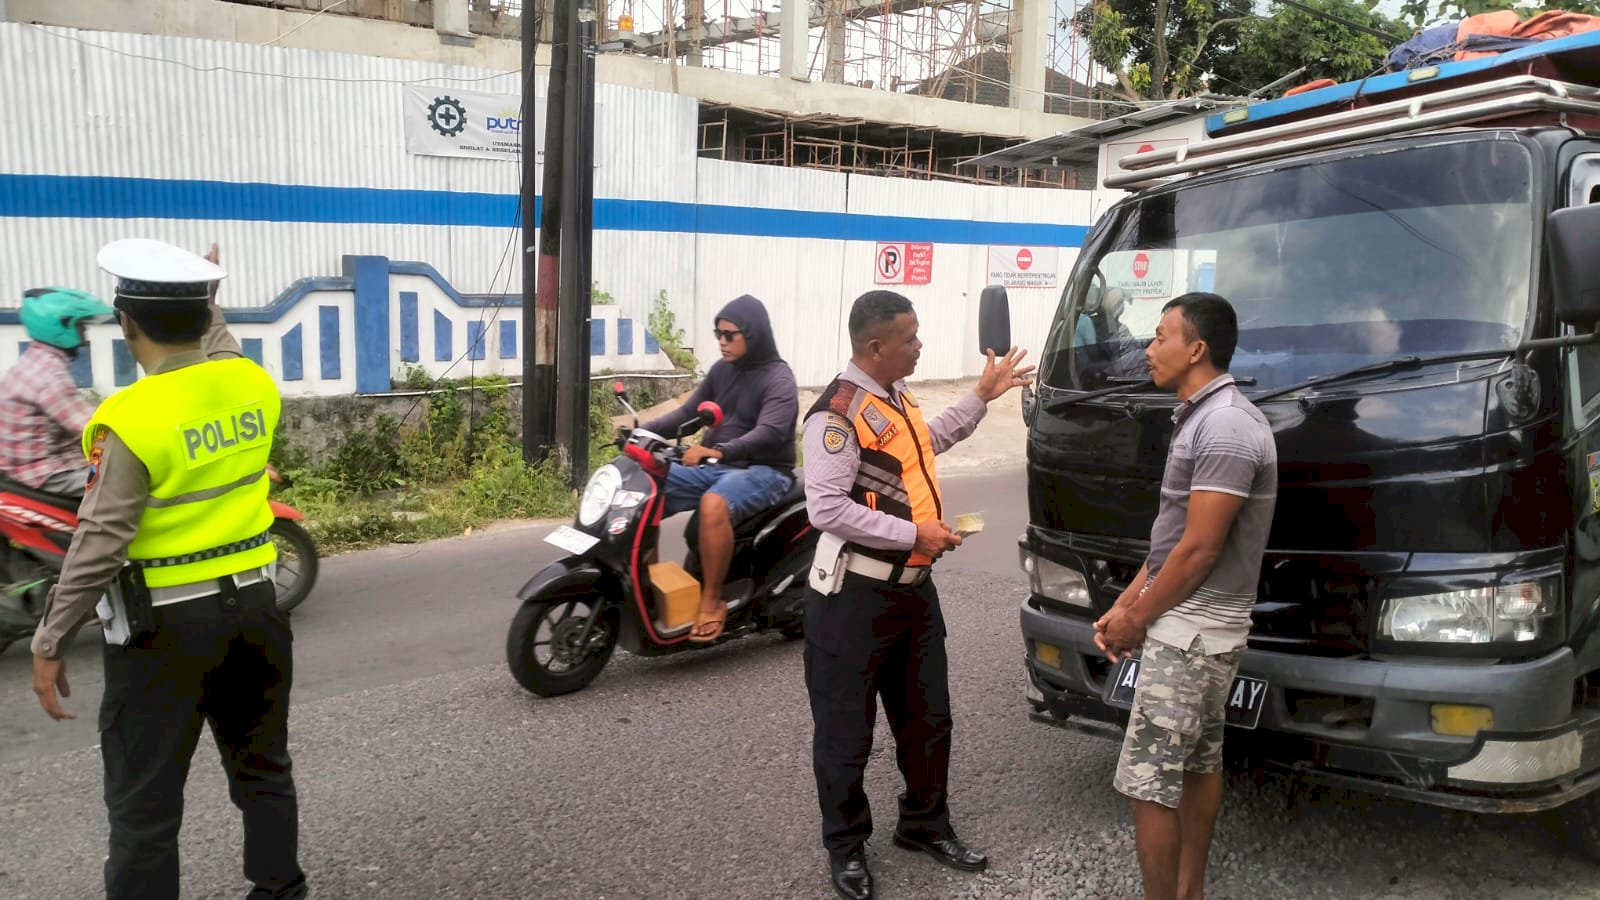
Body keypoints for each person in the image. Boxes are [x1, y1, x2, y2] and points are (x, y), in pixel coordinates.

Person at [29, 239, 308, 900]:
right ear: (203, 315)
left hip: (165, 631)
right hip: (258, 612)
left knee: (145, 808)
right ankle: (281, 891)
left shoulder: (130, 417)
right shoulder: (252, 382)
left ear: (127, 324)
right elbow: (223, 346)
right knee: (263, 770)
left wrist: (50, 642)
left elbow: (100, 541)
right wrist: (207, 300)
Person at [799, 289, 1033, 900]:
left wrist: (981, 397)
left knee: (929, 720)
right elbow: (826, 507)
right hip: (853, 598)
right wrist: (914, 532)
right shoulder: (835, 414)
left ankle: (924, 825)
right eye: (910, 337)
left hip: (913, 595)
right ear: (875, 347)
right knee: (846, 734)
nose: (920, 344)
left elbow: (927, 443)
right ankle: (845, 847)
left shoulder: (894, 400)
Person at [1092, 292, 1277, 900]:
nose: (1148, 349)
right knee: (1198, 765)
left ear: (1195, 349)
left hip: (1191, 634)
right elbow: (1173, 540)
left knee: (1148, 784)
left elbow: (1199, 550)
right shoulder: (1206, 417)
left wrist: (1137, 620)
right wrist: (1127, 601)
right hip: (1195, 630)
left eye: (1160, 336)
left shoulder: (1224, 426)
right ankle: (1188, 893)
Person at [638, 294, 798, 641]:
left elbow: (770, 433)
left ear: (753, 335)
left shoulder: (778, 378)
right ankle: (646, 584)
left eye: (730, 335)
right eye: (718, 334)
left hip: (765, 470)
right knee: (644, 487)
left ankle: (711, 601)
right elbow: (687, 414)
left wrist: (718, 451)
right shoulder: (722, 371)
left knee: (714, 505)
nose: (722, 342)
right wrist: (640, 433)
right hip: (716, 464)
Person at [0, 286, 117, 495]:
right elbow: (90, 428)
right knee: (125, 484)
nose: (84, 333)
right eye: (80, 326)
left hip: (25, 467)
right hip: (45, 473)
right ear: (61, 326)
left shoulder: (32, 362)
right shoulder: (49, 375)